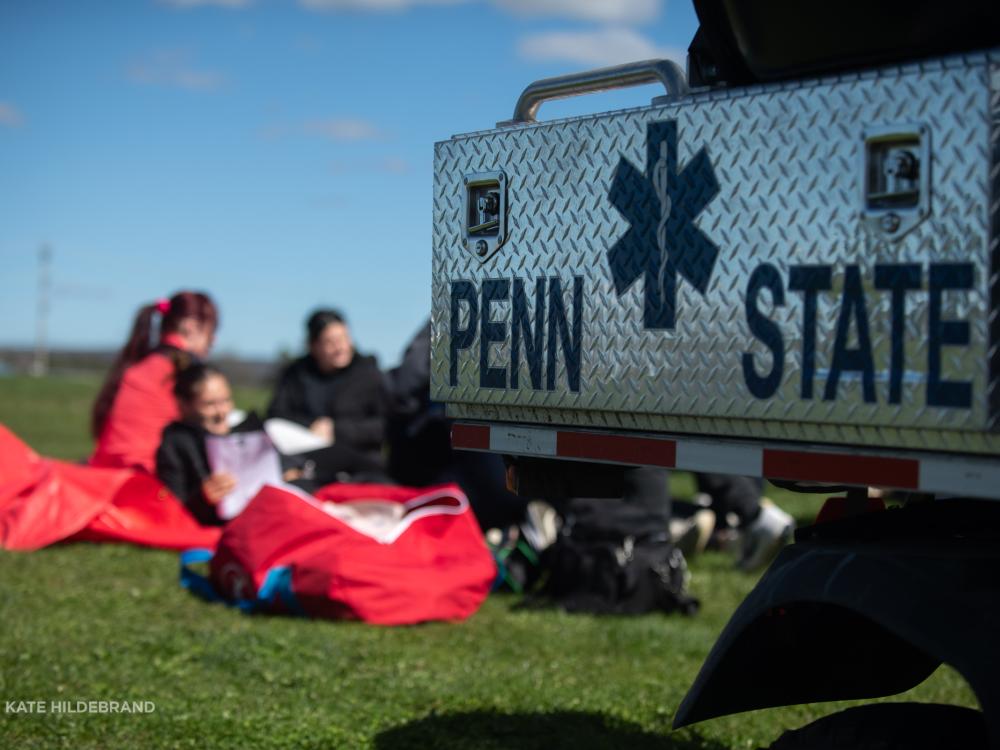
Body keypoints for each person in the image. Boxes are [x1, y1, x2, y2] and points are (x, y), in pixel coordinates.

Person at [90, 291, 218, 473]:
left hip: (103, 475)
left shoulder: (139, 365)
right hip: (147, 482)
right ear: (191, 327)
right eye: (211, 331)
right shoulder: (183, 369)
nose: (214, 340)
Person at [267, 309, 388, 482]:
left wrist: (336, 429)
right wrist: (312, 426)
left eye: (344, 338)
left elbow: (384, 426)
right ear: (314, 346)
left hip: (358, 464)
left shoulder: (369, 374)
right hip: (308, 458)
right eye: (330, 342)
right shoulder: (296, 374)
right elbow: (276, 415)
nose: (340, 347)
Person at [156, 364, 250, 526]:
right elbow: (172, 507)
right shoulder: (175, 442)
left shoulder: (244, 432)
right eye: (210, 404)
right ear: (184, 405)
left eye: (226, 401)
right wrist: (204, 498)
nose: (222, 412)